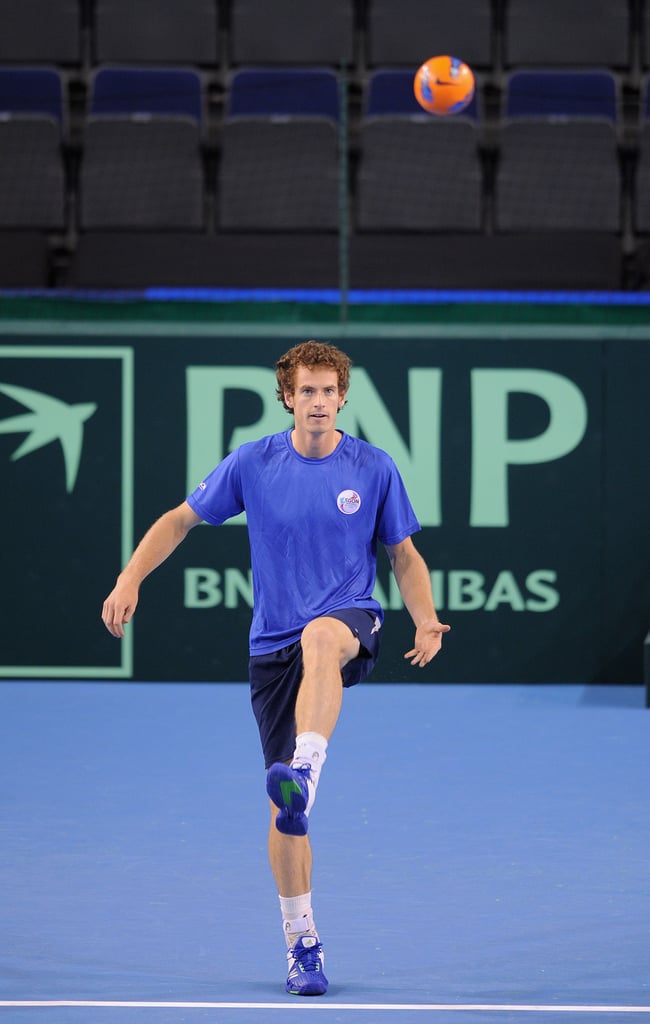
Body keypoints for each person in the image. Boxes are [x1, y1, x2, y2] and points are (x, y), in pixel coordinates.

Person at [102, 340, 450, 997]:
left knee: (322, 637)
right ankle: (302, 945)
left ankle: (309, 767)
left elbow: (403, 554)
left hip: (348, 619)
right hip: (270, 648)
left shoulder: (373, 467)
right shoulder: (253, 464)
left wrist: (425, 616)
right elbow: (179, 521)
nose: (318, 402)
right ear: (288, 397)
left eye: (328, 391)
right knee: (285, 817)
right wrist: (130, 578)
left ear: (342, 397)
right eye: (306, 391)